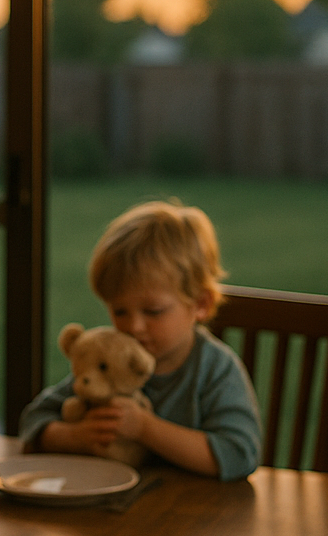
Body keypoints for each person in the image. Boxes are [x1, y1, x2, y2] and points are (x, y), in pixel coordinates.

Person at [18, 200, 260, 481]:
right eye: (120, 311)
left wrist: (145, 428)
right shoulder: (107, 360)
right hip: (113, 514)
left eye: (153, 311)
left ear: (200, 304)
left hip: (194, 518)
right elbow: (33, 421)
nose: (133, 326)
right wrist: (74, 436)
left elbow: (240, 454)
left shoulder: (215, 369)